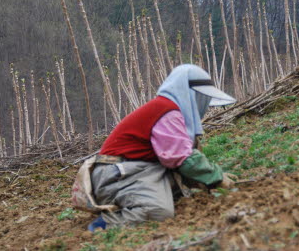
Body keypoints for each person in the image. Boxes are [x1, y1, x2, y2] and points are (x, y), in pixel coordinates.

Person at [88, 64, 236, 231]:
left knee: (184, 196)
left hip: (133, 170)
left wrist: (210, 182)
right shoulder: (167, 112)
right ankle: (104, 225)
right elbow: (182, 159)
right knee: (158, 212)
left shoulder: (169, 111)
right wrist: (217, 178)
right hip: (116, 174)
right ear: (189, 94)